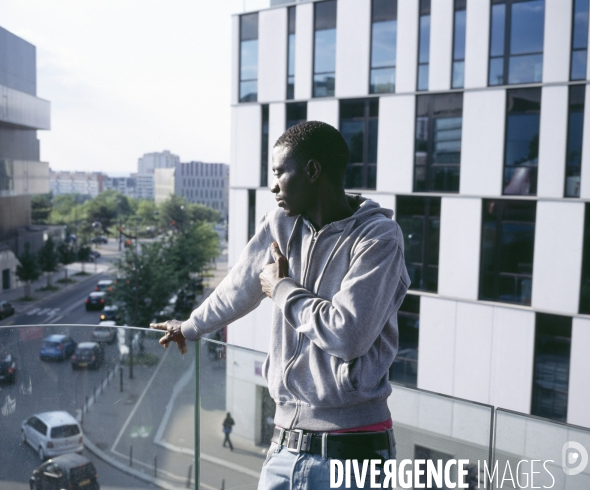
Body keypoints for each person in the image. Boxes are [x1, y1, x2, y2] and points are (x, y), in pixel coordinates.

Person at [152, 121, 410, 489]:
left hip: (355, 451)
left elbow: (348, 334)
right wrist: (190, 326)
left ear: (312, 171)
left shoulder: (378, 237)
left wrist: (282, 288)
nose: (272, 185)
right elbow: (239, 286)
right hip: (284, 447)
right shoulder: (280, 224)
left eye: (278, 173)